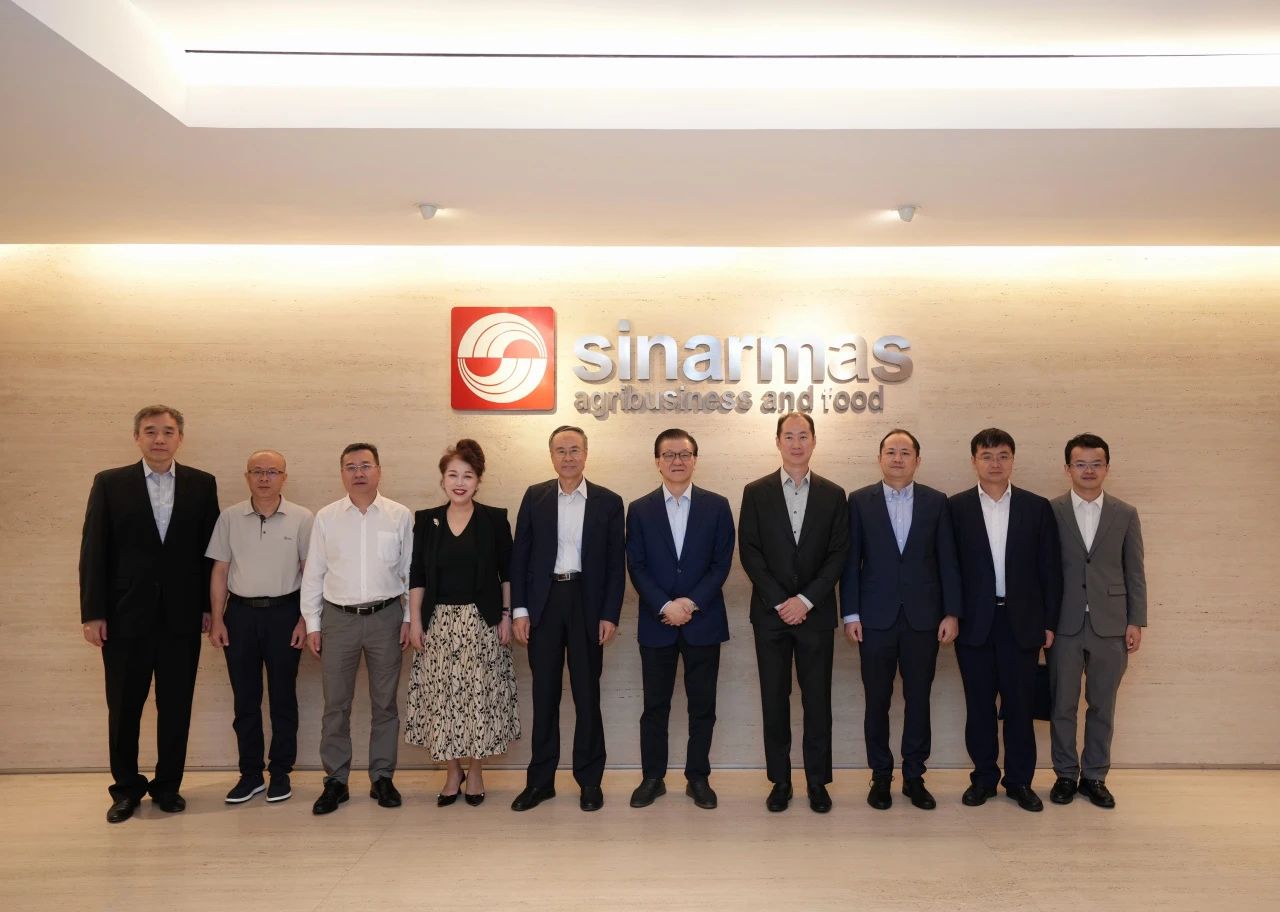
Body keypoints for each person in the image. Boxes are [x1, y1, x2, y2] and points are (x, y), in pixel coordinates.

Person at [79, 405, 220, 823]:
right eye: (151, 431)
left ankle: (168, 787)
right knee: (124, 708)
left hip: (181, 617)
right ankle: (125, 789)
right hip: (124, 617)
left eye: (168, 431)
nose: (160, 439)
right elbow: (94, 550)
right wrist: (93, 613)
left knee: (176, 706)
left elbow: (209, 553)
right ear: (137, 437)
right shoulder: (110, 483)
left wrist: (207, 608)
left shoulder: (202, 484)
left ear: (180, 438)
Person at [842, 428, 961, 811]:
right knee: (876, 700)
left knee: (918, 699)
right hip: (873, 619)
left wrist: (951, 612)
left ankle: (914, 776)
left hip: (924, 619)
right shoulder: (859, 500)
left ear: (917, 460)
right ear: (879, 458)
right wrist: (851, 613)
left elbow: (947, 561)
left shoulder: (936, 501)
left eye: (905, 452)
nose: (897, 458)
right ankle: (880, 776)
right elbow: (851, 562)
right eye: (891, 451)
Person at [509, 426, 625, 813]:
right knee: (545, 695)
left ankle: (590, 781)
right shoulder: (535, 496)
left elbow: (616, 564)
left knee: (587, 695)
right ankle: (540, 783)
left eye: (575, 449)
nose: (568, 456)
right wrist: (520, 610)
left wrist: (609, 613)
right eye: (561, 450)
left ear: (586, 454)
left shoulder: (609, 501)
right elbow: (520, 557)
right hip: (543, 604)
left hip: (587, 604)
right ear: (551, 456)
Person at [738, 412, 848, 813]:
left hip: (815, 615)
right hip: (770, 616)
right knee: (774, 699)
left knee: (818, 701)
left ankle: (817, 782)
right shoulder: (756, 491)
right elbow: (749, 551)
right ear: (778, 441)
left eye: (803, 436)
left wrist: (806, 600)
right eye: (789, 436)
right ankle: (780, 781)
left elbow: (838, 553)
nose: (796, 443)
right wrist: (781, 601)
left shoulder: (834, 494)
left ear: (814, 441)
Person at [949, 428, 1061, 812]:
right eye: (986, 456)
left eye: (1002, 456)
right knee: (979, 707)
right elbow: (949, 569)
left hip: (1023, 623)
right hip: (974, 624)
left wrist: (1049, 623)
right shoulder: (956, 508)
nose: (995, 463)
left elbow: (1050, 569)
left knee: (1020, 707)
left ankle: (1019, 782)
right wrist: (952, 614)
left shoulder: (1036, 507)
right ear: (974, 461)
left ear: (1013, 460)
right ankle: (983, 779)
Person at [403, 439, 520, 807]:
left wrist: (506, 615)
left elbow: (507, 573)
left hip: (482, 623)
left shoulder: (494, 519)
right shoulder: (427, 520)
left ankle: (477, 771)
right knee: (443, 700)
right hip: (438, 624)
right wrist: (415, 621)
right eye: (452, 475)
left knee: (478, 699)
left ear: (478, 481)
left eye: (467, 476)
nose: (459, 482)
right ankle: (452, 772)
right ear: (442, 479)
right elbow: (417, 574)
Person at [625, 429, 735, 810]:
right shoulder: (639, 509)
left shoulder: (717, 506)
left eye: (684, 454)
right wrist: (664, 605)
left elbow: (722, 563)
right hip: (657, 622)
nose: (677, 461)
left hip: (703, 621)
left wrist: (689, 602)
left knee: (702, 706)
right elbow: (636, 565)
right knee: (655, 706)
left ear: (695, 460)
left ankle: (697, 777)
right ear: (657, 461)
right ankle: (652, 778)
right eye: (669, 455)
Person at [300, 443, 412, 815]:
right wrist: (313, 623)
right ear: (342, 473)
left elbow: (410, 572)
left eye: (365, 465)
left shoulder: (399, 515)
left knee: (385, 703)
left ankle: (382, 777)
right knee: (336, 704)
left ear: (379, 470)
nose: (359, 472)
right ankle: (336, 780)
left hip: (386, 618)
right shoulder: (327, 517)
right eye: (351, 466)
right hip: (338, 619)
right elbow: (314, 573)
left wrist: (409, 619)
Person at [206, 449, 314, 804]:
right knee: (245, 699)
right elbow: (220, 570)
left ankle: (280, 772)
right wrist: (218, 619)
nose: (264, 478)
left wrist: (305, 619)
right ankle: (250, 774)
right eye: (257, 471)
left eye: (272, 471)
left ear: (284, 477)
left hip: (286, 614)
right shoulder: (230, 517)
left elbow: (310, 572)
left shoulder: (302, 518)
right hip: (240, 616)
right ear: (247, 476)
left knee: (283, 697)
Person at [1048, 433, 1147, 808]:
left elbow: (1134, 571)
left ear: (1107, 467)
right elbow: (1043, 571)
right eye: (1080, 464)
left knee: (1103, 704)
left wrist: (1136, 620)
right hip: (1064, 622)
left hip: (1112, 623)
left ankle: (1094, 777)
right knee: (1062, 703)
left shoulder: (1125, 513)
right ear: (1067, 468)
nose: (1088, 470)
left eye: (1096, 464)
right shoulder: (1051, 510)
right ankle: (1064, 774)